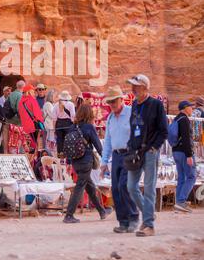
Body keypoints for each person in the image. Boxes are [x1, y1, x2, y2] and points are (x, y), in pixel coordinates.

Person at [126, 74, 168, 237]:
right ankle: (149, 214)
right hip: (136, 153)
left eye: (135, 86)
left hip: (150, 152)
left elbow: (163, 130)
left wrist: (154, 148)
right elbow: (133, 129)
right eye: (132, 86)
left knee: (149, 189)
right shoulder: (135, 105)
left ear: (145, 87)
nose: (132, 89)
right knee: (131, 187)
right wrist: (130, 147)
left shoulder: (156, 105)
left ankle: (149, 225)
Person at [63, 104, 112, 224]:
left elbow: (68, 146)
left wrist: (69, 162)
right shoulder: (89, 127)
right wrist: (105, 160)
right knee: (80, 186)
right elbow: (98, 145)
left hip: (76, 162)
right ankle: (69, 215)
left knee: (89, 187)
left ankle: (102, 211)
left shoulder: (73, 127)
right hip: (86, 161)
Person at [101, 86, 139, 233]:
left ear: (121, 100)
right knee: (116, 189)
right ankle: (123, 222)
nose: (111, 105)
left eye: (114, 101)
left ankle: (134, 217)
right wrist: (104, 162)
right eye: (109, 102)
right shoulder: (110, 118)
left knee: (125, 185)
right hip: (116, 156)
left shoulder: (131, 113)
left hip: (130, 153)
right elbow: (108, 141)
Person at [172, 101, 197, 213]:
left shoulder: (176, 119)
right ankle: (181, 201)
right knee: (192, 176)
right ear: (185, 108)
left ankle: (178, 203)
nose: (192, 109)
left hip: (176, 152)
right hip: (184, 152)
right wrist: (189, 155)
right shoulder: (184, 120)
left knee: (181, 177)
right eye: (190, 107)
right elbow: (186, 138)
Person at [18, 84, 44, 150]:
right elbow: (38, 115)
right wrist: (41, 123)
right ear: (29, 91)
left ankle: (28, 158)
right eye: (32, 90)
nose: (34, 92)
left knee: (27, 145)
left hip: (25, 126)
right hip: (33, 126)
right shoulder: (32, 100)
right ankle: (33, 159)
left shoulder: (21, 102)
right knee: (35, 145)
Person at [53, 91, 76, 158]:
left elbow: (54, 118)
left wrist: (54, 128)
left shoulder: (56, 105)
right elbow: (73, 116)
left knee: (59, 139)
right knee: (68, 139)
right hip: (68, 124)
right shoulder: (71, 104)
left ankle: (60, 154)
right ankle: (68, 155)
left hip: (59, 123)